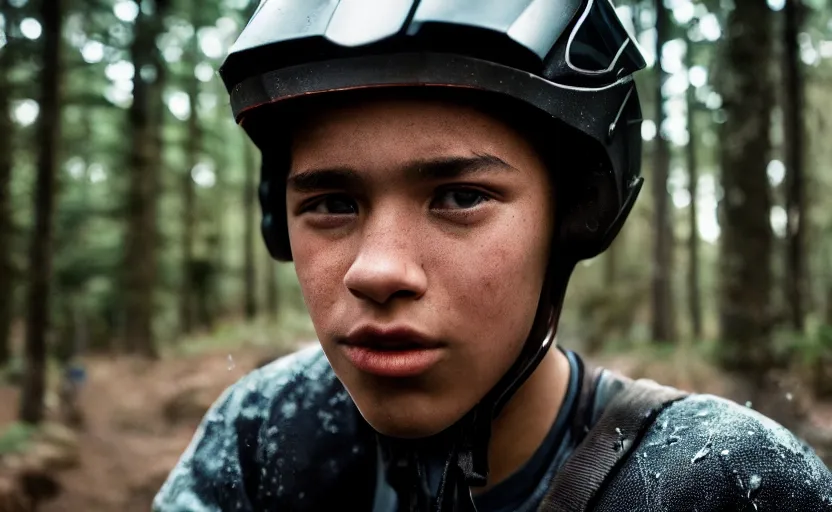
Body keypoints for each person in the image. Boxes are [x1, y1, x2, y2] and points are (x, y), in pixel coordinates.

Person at [153, 1, 832, 511]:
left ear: (566, 222)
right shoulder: (269, 432)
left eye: (459, 195)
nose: (377, 270)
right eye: (333, 204)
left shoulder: (719, 483)